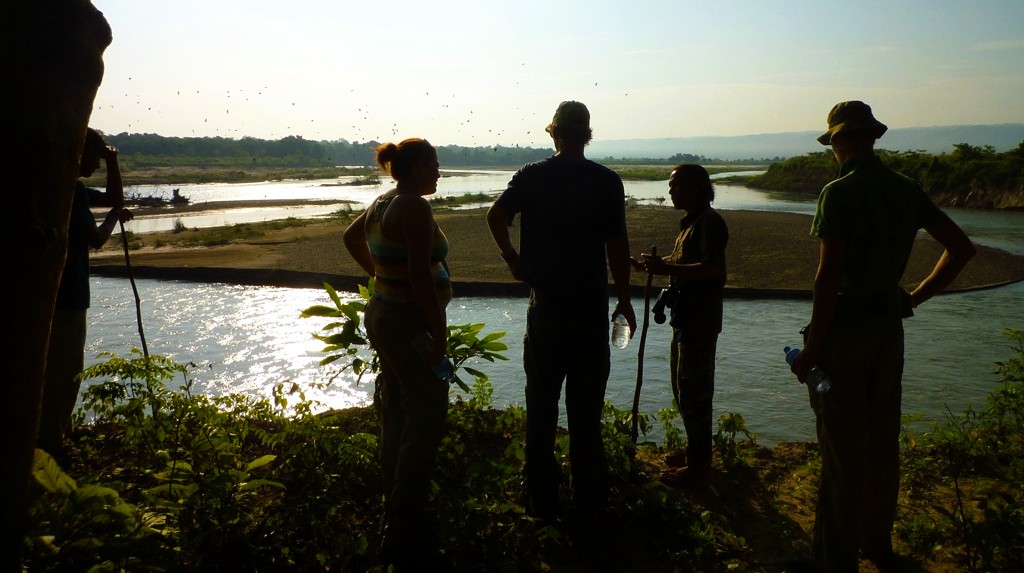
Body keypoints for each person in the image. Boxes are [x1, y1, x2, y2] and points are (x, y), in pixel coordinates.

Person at [790, 101, 975, 572]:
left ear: (838, 141)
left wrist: (813, 347)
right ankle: (877, 543)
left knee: (840, 448)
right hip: (889, 330)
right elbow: (960, 249)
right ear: (872, 137)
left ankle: (837, 558)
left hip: (845, 331)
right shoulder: (905, 189)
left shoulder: (839, 192)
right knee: (881, 441)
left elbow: (827, 277)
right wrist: (914, 296)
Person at [486, 101, 637, 524]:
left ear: (554, 134)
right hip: (590, 312)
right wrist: (624, 299)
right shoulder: (606, 181)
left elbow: (494, 216)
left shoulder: (532, 176)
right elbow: (617, 246)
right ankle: (589, 502)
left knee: (541, 406)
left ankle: (542, 499)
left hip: (546, 309)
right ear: (587, 135)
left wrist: (512, 260)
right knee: (586, 413)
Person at [342, 137, 452, 569]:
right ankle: (403, 528)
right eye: (436, 163)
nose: (440, 171)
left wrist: (380, 276)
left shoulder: (383, 201)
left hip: (384, 314)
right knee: (427, 420)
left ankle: (393, 505)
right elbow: (423, 278)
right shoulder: (414, 206)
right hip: (408, 323)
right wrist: (438, 334)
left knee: (397, 412)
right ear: (419, 166)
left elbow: (350, 237)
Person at [632, 164, 728, 488]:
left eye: (675, 185)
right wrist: (654, 267)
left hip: (699, 321)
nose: (670, 191)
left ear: (696, 188)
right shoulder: (691, 224)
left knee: (695, 392)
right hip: (685, 319)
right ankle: (694, 452)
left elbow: (713, 269)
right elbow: (683, 267)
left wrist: (666, 267)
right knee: (683, 389)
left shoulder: (709, 223)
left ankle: (699, 468)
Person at [38, 127, 133, 454]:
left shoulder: (68, 188)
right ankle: (52, 443)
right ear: (80, 153)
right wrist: (112, 219)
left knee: (53, 369)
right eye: (94, 157)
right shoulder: (71, 192)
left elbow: (113, 198)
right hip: (69, 296)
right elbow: (95, 239)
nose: (95, 163)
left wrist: (112, 164)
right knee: (65, 373)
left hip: (55, 294)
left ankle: (60, 429)